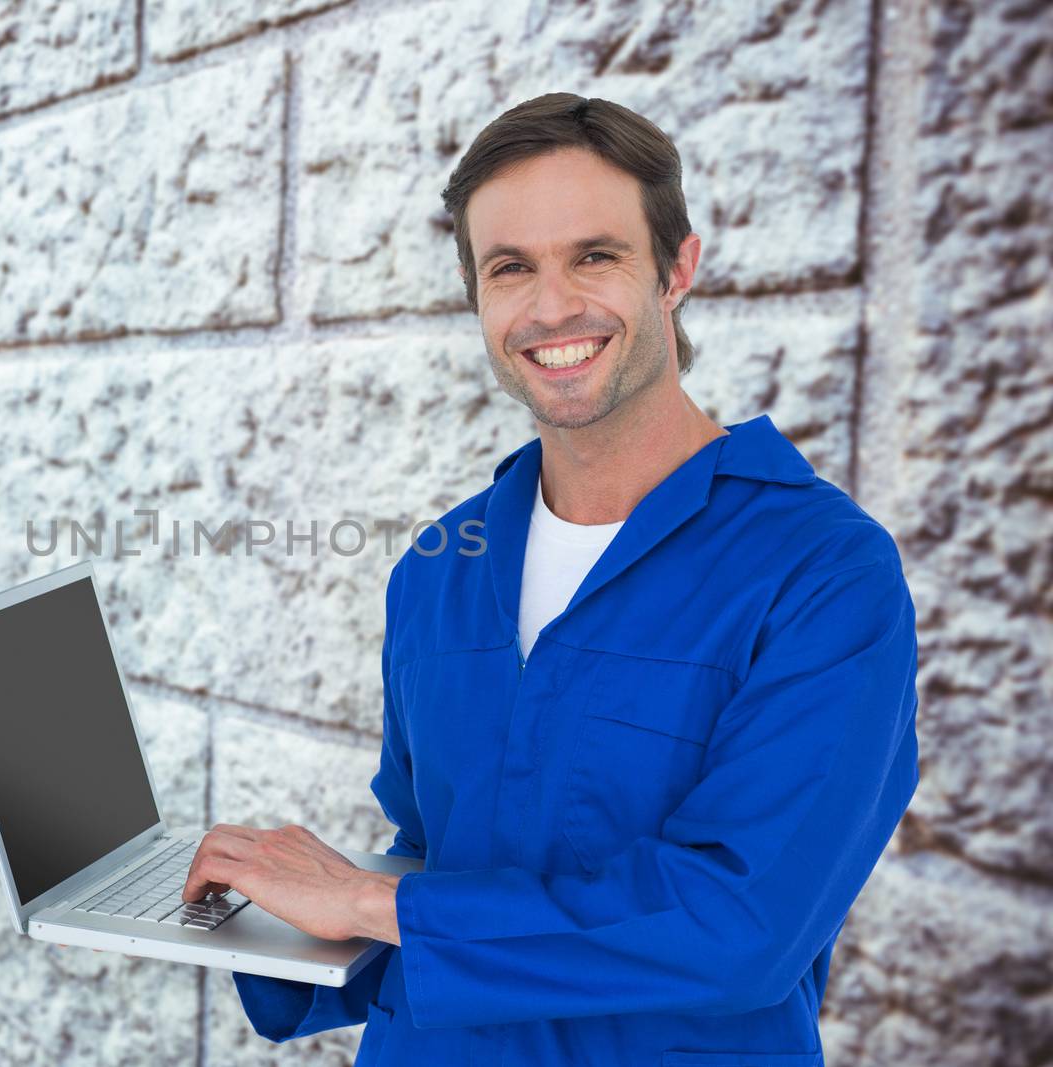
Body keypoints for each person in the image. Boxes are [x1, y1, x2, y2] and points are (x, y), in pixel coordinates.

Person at [178, 93, 920, 1065]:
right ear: (476, 296)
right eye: (510, 267)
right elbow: (430, 857)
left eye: (594, 255)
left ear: (676, 268)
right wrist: (266, 908)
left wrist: (371, 900)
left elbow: (741, 923)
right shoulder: (438, 570)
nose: (552, 305)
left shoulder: (823, 574)